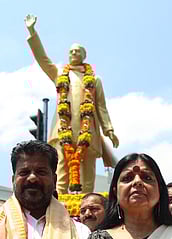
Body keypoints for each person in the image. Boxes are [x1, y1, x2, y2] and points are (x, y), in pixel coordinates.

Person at [24, 14, 119, 194]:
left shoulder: (94, 80)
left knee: (88, 172)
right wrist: (32, 32)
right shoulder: (60, 75)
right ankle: (58, 203)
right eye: (71, 51)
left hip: (88, 132)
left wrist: (109, 130)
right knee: (61, 169)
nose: (74, 53)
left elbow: (100, 107)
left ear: (84, 55)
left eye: (77, 51)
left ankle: (87, 204)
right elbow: (42, 59)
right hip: (63, 129)